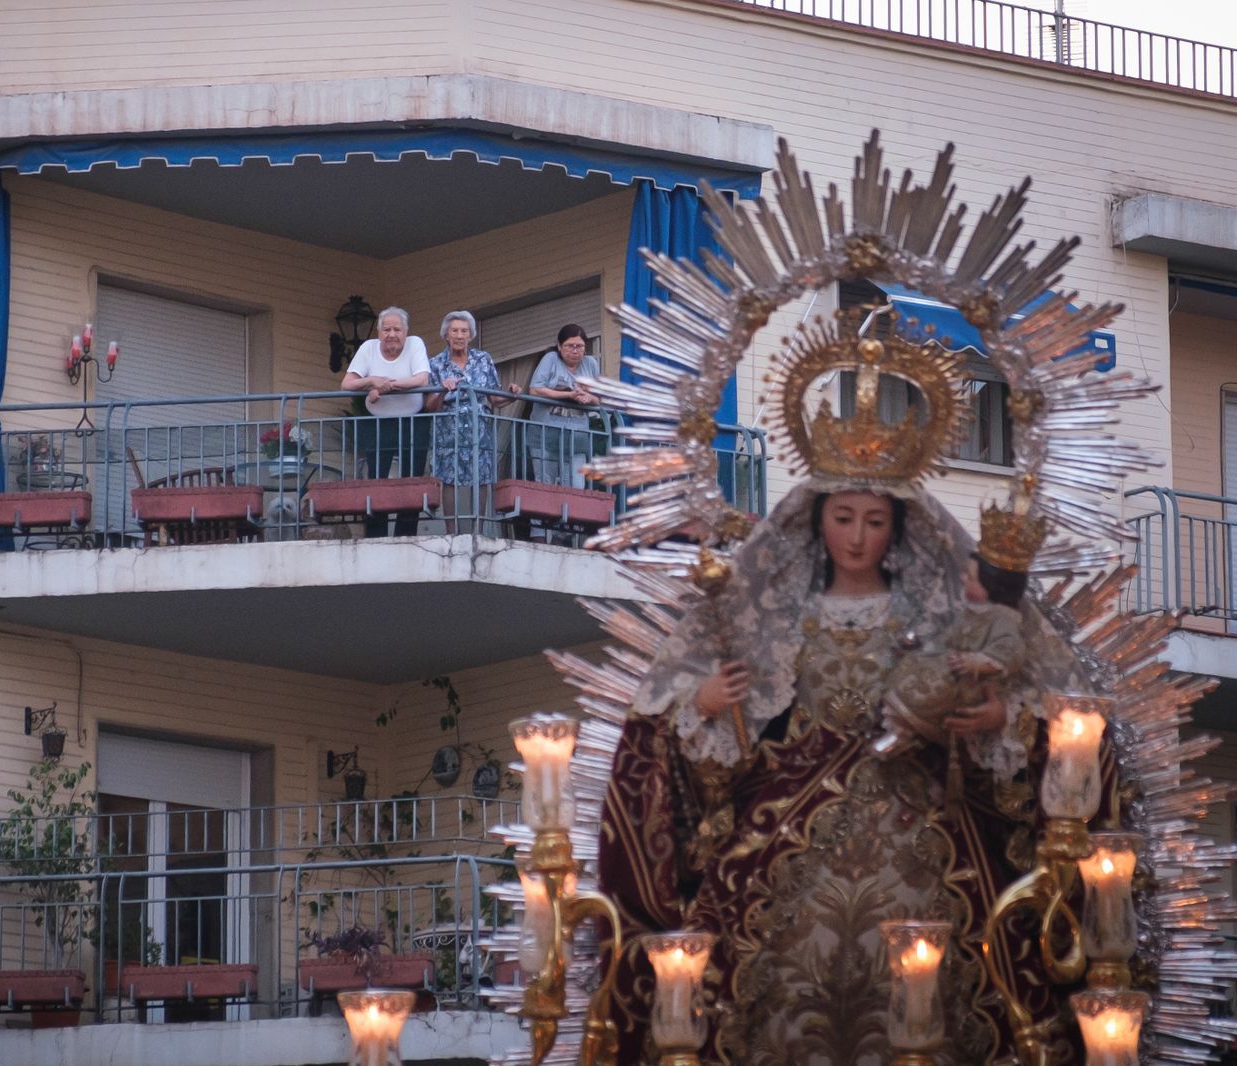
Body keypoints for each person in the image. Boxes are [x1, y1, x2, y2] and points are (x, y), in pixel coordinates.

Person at [600, 483, 1067, 1066]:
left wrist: (995, 715)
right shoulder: (776, 617)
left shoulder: (938, 615)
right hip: (791, 815)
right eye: (843, 518)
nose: (856, 537)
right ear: (816, 522)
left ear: (895, 529)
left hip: (919, 820)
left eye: (873, 521)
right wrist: (705, 701)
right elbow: (684, 733)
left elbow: (1019, 688)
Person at [874, 552, 1029, 756]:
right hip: (951, 664)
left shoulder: (1002, 620)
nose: (963, 578)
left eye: (971, 577)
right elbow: (948, 636)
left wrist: (976, 663)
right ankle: (892, 724)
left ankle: (902, 733)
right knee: (910, 670)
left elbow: (1011, 651)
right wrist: (922, 643)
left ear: (991, 587)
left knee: (929, 689)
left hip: (968, 681)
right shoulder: (972, 612)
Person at [426, 310, 522, 533]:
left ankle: (478, 530)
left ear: (470, 335)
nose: (459, 336)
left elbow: (495, 398)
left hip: (480, 427)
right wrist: (442, 389)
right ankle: (452, 531)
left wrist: (511, 393)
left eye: (464, 331)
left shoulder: (483, 359)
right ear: (446, 336)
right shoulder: (436, 364)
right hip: (448, 427)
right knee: (449, 477)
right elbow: (430, 406)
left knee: (481, 476)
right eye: (455, 331)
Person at [341, 306, 431, 537]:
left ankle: (406, 535)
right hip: (379, 423)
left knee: (412, 479)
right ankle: (375, 535)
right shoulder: (368, 348)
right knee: (376, 479)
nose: (392, 334)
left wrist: (387, 387)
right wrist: (372, 380)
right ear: (379, 332)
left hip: (412, 421)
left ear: (406, 331)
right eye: (387, 329)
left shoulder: (415, 344)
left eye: (397, 329)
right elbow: (347, 384)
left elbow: (422, 379)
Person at [525, 324, 601, 488]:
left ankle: (571, 515)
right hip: (545, 436)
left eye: (579, 346)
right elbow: (535, 390)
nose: (575, 350)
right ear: (559, 346)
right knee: (546, 486)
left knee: (577, 486)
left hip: (577, 438)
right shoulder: (551, 359)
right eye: (569, 346)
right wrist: (568, 395)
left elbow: (601, 398)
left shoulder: (590, 363)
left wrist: (589, 397)